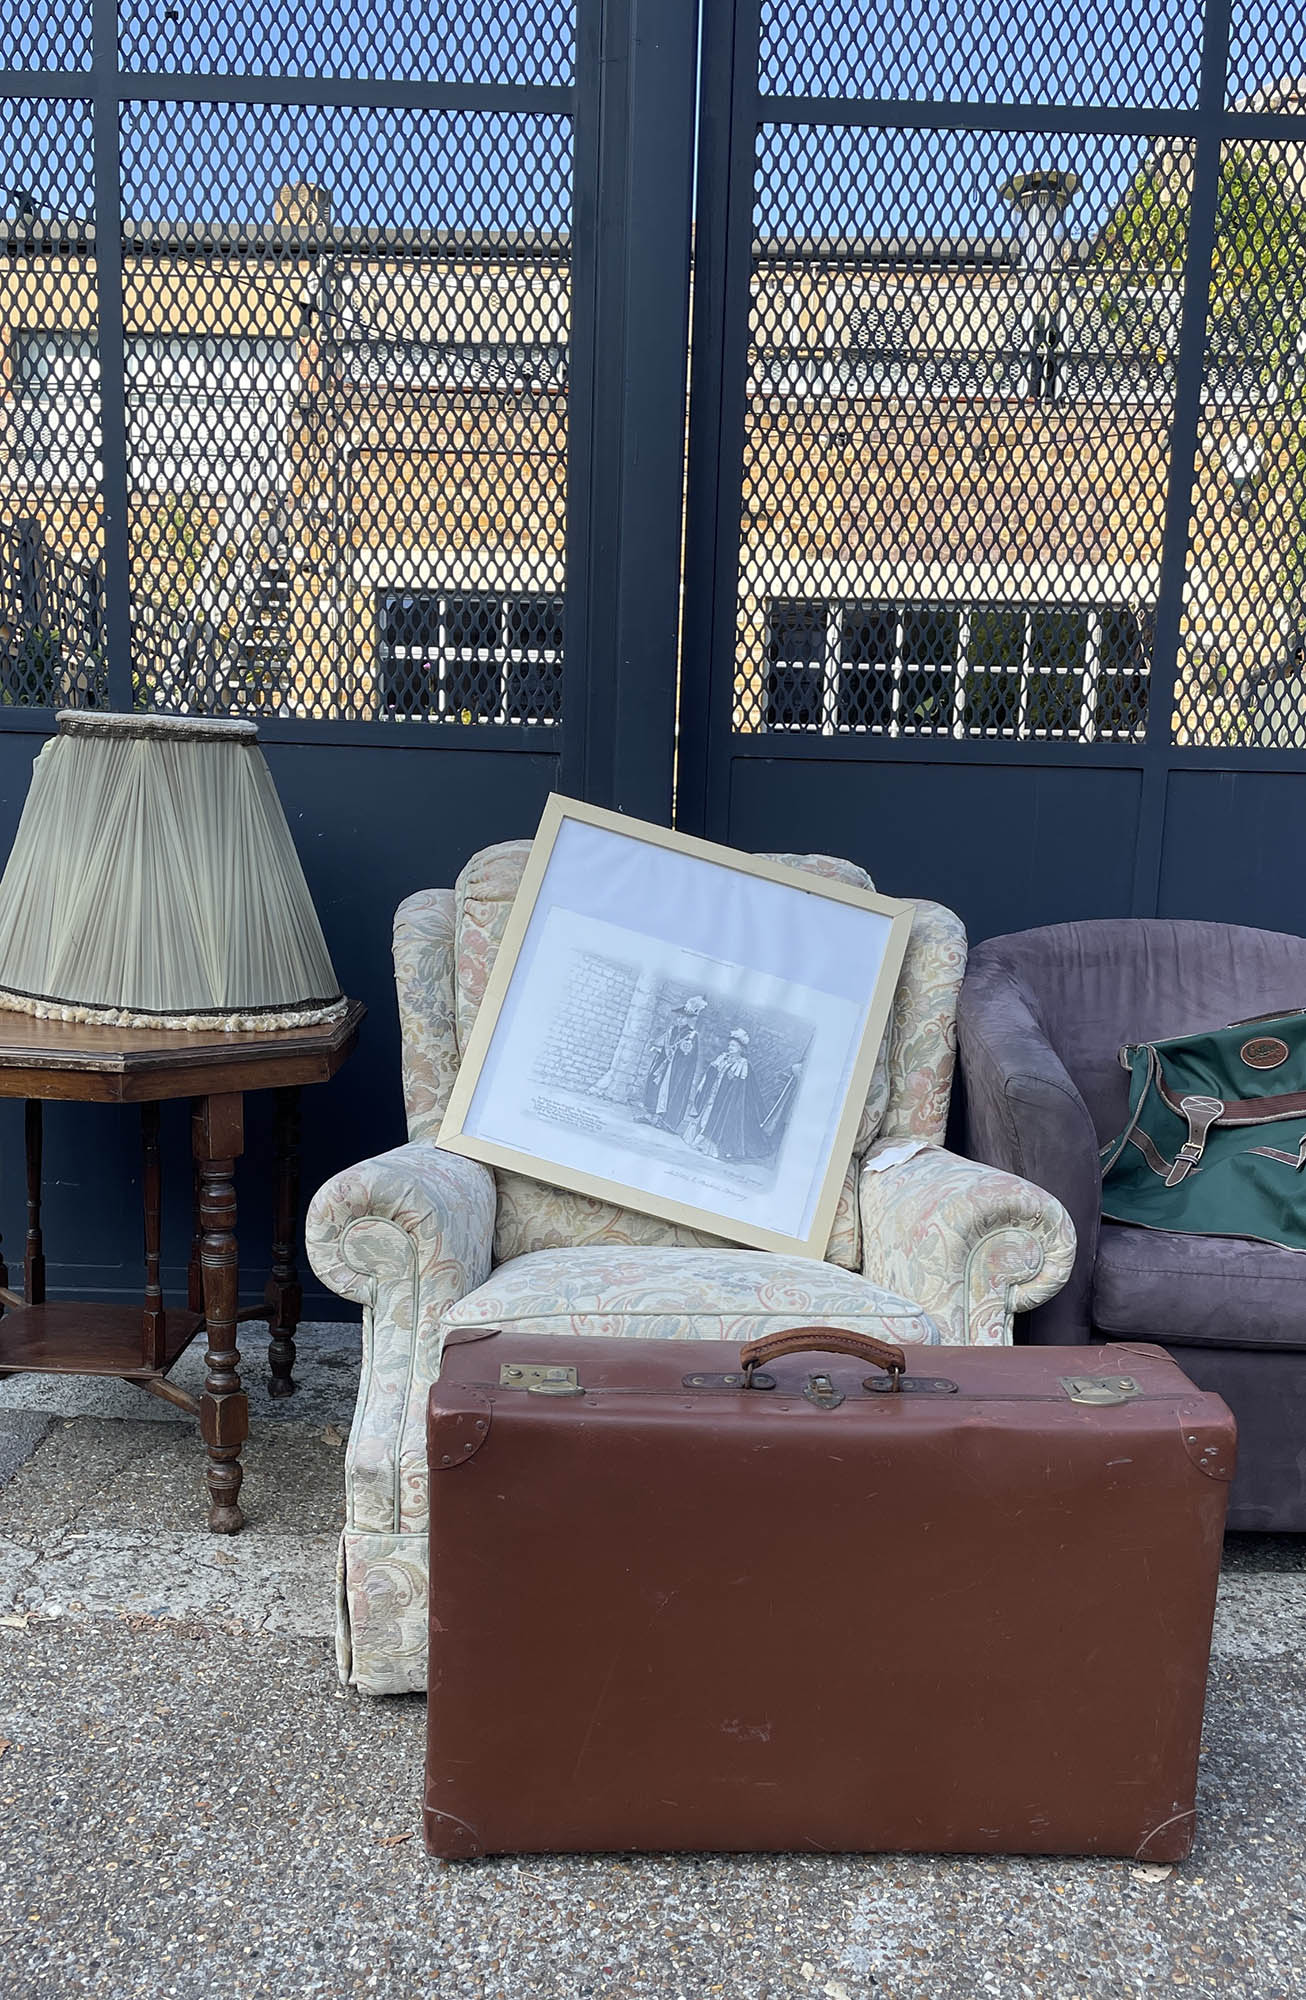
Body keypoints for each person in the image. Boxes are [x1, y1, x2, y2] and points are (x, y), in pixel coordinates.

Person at [685, 1027, 771, 1162]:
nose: (730, 1048)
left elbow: (741, 1088)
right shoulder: (723, 1058)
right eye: (730, 1045)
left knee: (716, 1120)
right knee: (705, 1115)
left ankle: (710, 1147)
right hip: (713, 1094)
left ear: (740, 1049)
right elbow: (712, 1073)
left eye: (734, 1046)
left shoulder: (742, 1064)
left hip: (725, 1100)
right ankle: (699, 1141)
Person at [637, 995, 706, 1130]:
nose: (680, 1020)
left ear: (689, 1020)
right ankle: (650, 1115)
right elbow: (662, 1044)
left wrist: (679, 1057)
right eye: (678, 1017)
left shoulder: (691, 1035)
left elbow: (689, 1058)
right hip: (663, 1066)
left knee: (669, 1090)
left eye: (683, 1018)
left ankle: (662, 1119)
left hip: (676, 1069)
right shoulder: (671, 1031)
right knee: (655, 1086)